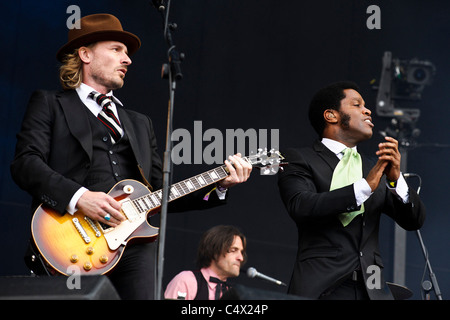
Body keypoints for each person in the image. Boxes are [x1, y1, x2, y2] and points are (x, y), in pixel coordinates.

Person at [10, 13, 252, 300]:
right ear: (85, 54)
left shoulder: (139, 122)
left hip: (134, 244)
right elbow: (26, 163)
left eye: (127, 53)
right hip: (70, 237)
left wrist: (220, 184)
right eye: (116, 49)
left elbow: (161, 193)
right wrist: (80, 197)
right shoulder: (51, 104)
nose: (128, 60)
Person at [277, 81, 426, 300]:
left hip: (371, 288)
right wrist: (365, 187)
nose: (367, 110)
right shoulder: (298, 158)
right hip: (321, 287)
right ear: (331, 116)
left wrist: (396, 179)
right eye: (357, 104)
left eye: (365, 105)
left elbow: (413, 221)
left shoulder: (373, 167)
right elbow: (301, 205)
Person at [164, 225, 246, 300]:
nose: (241, 258)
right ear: (215, 250)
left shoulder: (231, 293)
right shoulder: (187, 280)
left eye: (241, 252)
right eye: (233, 250)